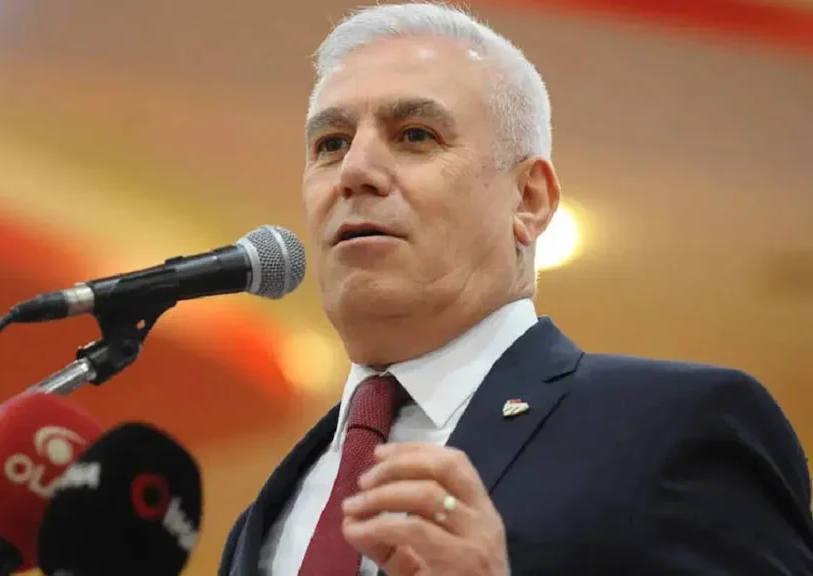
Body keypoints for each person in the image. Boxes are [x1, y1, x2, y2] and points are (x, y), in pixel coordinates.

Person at [218, 3, 813, 575]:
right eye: (331, 144)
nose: (354, 171)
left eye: (416, 135)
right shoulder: (268, 516)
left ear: (528, 199)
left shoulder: (673, 426)